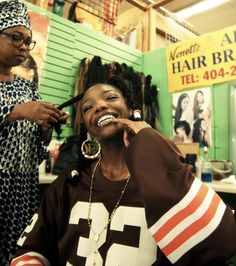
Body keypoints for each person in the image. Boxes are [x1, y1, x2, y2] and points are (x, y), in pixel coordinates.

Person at [11, 76, 236, 266]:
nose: (99, 106)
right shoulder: (70, 182)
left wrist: (149, 141)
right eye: (88, 107)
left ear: (132, 111)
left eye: (110, 98)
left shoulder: (160, 177)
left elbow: (221, 242)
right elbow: (32, 249)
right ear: (87, 125)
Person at [0, 1, 68, 264]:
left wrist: (45, 128)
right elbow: (19, 113)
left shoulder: (28, 89)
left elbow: (35, 150)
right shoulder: (24, 100)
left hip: (22, 195)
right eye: (16, 37)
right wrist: (18, 112)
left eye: (27, 41)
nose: (23, 45)